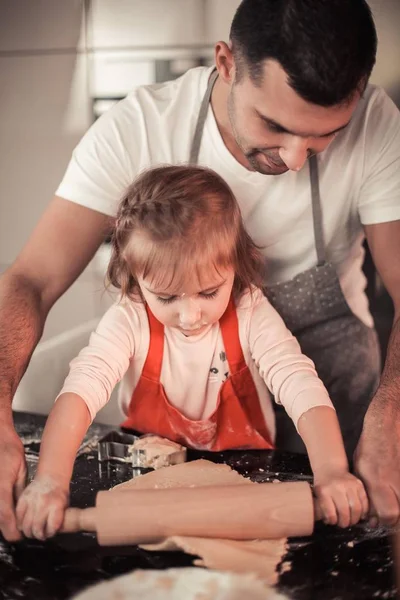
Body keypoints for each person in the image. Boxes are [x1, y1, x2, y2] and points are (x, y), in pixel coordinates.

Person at [0, 0, 399, 542]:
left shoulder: (379, 129)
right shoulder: (138, 128)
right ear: (227, 64)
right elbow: (34, 283)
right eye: (276, 126)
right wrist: (44, 471)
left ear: (237, 270)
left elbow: (298, 381)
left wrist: (370, 436)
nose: (296, 159)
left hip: (333, 397)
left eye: (326, 136)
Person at [15, 165, 368, 540]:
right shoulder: (130, 318)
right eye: (166, 297)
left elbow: (298, 382)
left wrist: (332, 471)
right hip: (150, 475)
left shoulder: (249, 312)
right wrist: (50, 480)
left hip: (247, 472)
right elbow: (83, 389)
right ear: (134, 279)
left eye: (209, 292)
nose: (189, 316)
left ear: (236, 264)